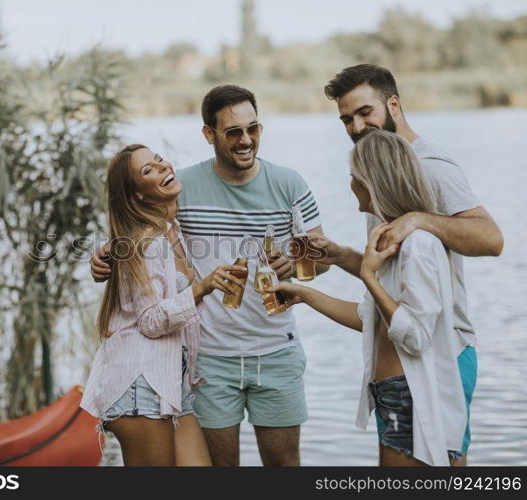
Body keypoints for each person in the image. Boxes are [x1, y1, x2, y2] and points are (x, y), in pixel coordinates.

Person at [91, 85, 329, 466]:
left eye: (253, 129)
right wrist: (104, 254)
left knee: (286, 466)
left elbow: (322, 256)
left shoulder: (290, 184)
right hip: (211, 360)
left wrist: (297, 261)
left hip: (277, 351)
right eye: (233, 132)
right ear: (209, 134)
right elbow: (139, 224)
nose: (246, 140)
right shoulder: (180, 186)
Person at [313, 64, 504, 464]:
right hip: (405, 352)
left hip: (442, 350)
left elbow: (491, 239)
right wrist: (344, 256)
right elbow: (393, 273)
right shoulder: (375, 168)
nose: (356, 125)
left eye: (365, 112)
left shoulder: (428, 164)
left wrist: (419, 220)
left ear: (393, 104)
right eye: (346, 118)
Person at [269, 129, 468, 466]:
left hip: (410, 396)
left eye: (353, 176)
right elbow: (372, 319)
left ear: (372, 181)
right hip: (392, 393)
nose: (350, 184)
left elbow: (416, 336)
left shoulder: (420, 246)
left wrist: (367, 276)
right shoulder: (392, 239)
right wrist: (304, 294)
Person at [80, 144, 248, 466]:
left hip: (173, 383)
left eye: (159, 160)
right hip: (140, 386)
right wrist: (203, 287)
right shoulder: (147, 242)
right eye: (148, 171)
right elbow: (151, 321)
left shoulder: (171, 230)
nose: (162, 167)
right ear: (138, 196)